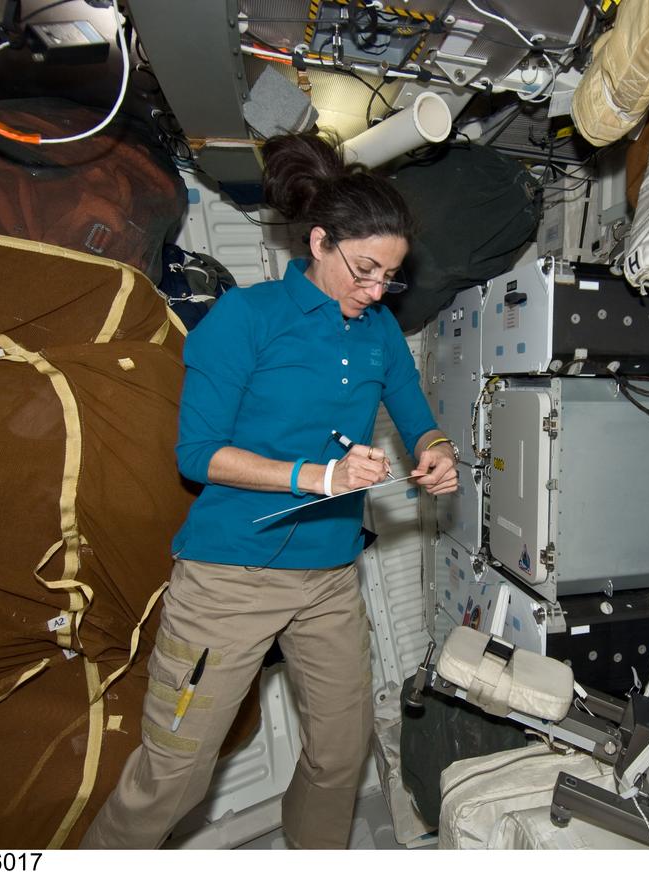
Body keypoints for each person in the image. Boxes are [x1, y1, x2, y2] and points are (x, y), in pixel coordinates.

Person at [81, 131, 459, 849]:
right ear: (319, 242)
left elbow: (415, 414)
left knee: (339, 758)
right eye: (365, 270)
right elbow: (198, 455)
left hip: (327, 580)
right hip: (229, 579)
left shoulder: (376, 332)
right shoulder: (245, 319)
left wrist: (437, 451)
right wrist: (317, 478)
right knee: (177, 773)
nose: (378, 291)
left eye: (391, 278)